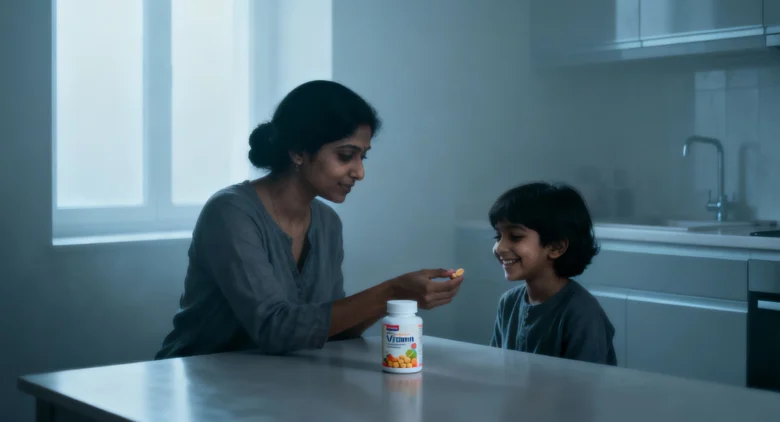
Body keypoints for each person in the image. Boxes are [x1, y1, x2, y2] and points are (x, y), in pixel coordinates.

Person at [155, 80, 463, 358]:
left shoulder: (328, 223)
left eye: (362, 157)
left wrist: (396, 301)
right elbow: (275, 329)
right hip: (201, 381)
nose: (359, 172)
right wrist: (391, 291)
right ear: (298, 152)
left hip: (275, 385)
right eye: (346, 156)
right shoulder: (230, 213)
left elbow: (335, 333)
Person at [487, 182, 617, 366]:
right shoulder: (508, 303)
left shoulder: (582, 314)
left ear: (556, 247)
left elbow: (585, 389)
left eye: (515, 236)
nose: (499, 247)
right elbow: (497, 370)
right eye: (498, 236)